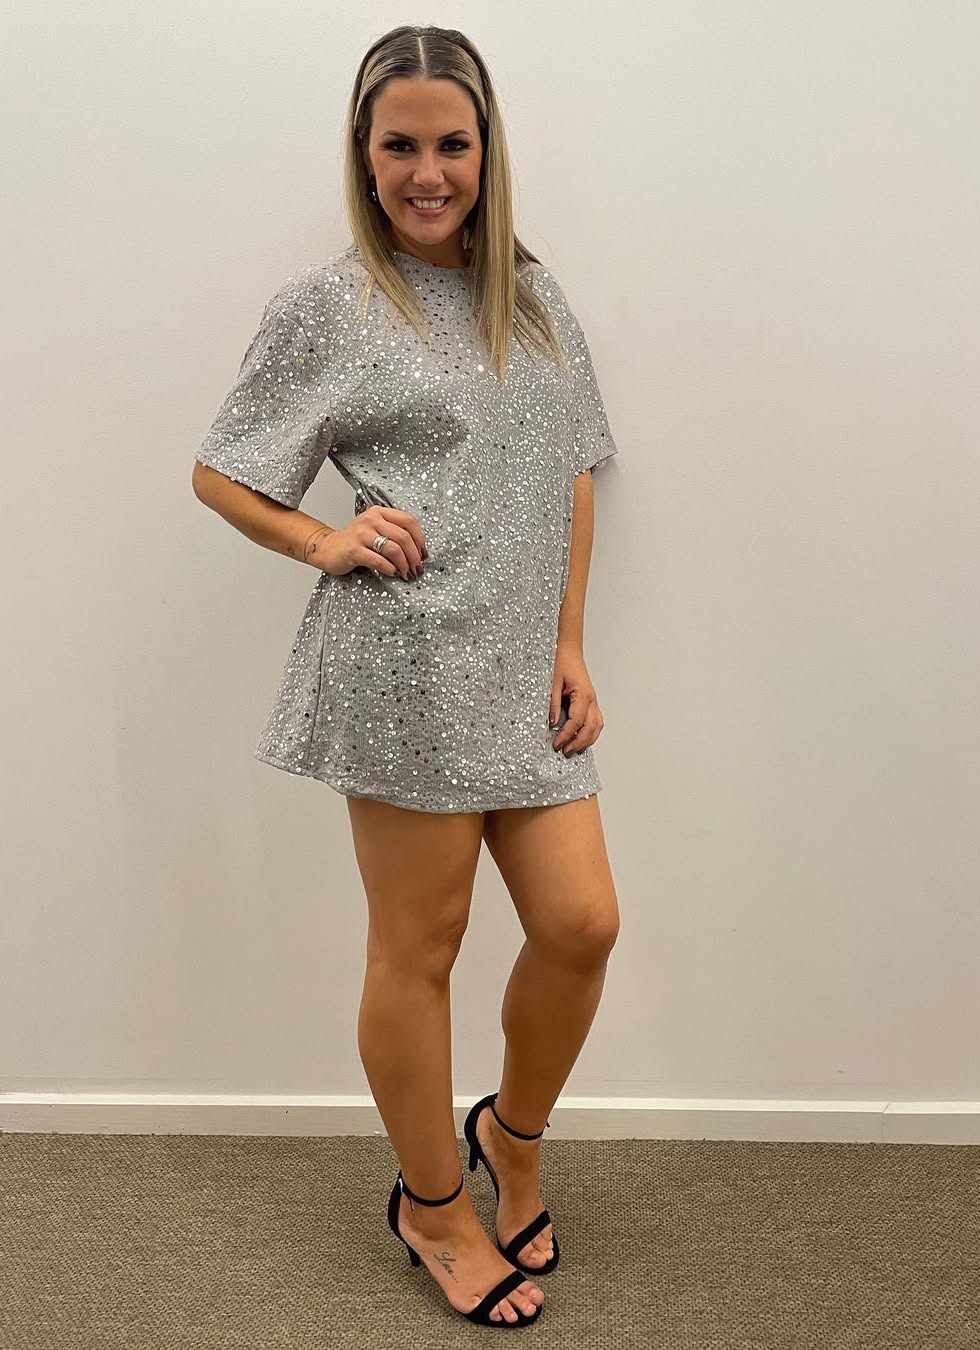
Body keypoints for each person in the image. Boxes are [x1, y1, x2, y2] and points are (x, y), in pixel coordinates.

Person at [192, 24, 620, 1330]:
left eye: (451, 143)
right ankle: (434, 1206)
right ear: (363, 154)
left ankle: (510, 1136)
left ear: (487, 150)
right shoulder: (329, 306)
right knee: (420, 946)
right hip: (406, 667)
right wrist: (321, 538)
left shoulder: (533, 296)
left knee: (581, 924)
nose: (427, 172)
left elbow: (573, 469)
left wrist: (569, 643)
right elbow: (221, 468)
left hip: (522, 669)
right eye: (399, 146)